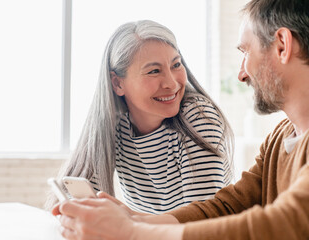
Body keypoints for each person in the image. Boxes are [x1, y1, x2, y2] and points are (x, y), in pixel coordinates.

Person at [51, 0, 309, 239]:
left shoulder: (198, 118)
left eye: (246, 52)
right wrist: (135, 219)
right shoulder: (279, 139)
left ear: (282, 46)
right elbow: (228, 206)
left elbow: (286, 221)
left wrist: (131, 232)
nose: (241, 74)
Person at [46, 20, 234, 214]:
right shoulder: (115, 125)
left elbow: (201, 223)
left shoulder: (200, 118)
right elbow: (75, 194)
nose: (172, 83)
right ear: (118, 83)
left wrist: (128, 219)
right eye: (154, 71)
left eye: (176, 64)